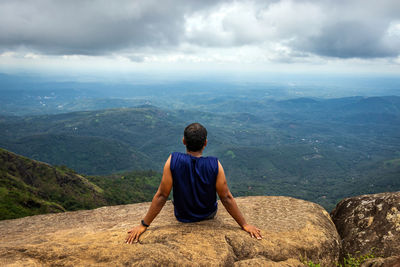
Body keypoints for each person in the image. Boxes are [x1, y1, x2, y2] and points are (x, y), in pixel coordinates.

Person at [125, 123, 262, 244]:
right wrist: (244, 225)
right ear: (205, 143)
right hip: (208, 214)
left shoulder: (173, 160)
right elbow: (225, 197)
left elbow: (161, 196)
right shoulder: (215, 164)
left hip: (182, 215)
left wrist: (144, 225)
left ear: (184, 141)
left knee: (174, 196)